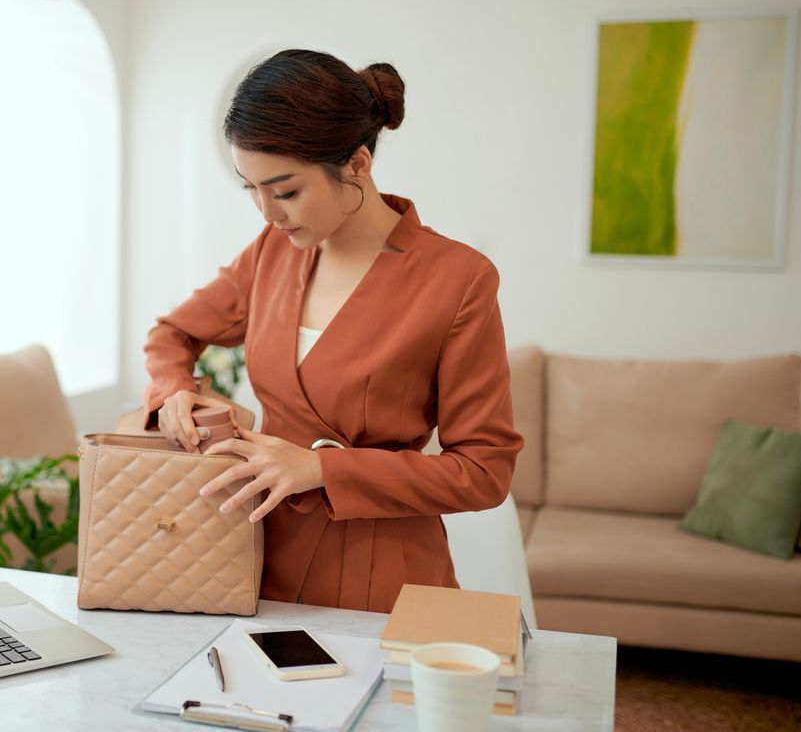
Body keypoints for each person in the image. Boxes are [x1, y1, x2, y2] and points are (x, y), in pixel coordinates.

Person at [140, 49, 523, 614]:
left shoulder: (459, 278)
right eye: (251, 189)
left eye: (286, 190)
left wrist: (322, 467)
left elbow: (484, 472)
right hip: (252, 559)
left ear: (357, 165)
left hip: (383, 576)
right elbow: (172, 334)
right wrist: (174, 389)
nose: (267, 214)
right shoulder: (272, 252)